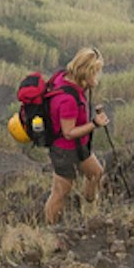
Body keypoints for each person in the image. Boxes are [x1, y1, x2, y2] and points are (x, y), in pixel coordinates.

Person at [41, 49, 107, 224]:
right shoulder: (68, 100)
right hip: (64, 150)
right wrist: (95, 124)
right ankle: (51, 229)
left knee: (96, 173)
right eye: (95, 72)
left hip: (80, 145)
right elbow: (68, 133)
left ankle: (90, 205)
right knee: (60, 193)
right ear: (86, 72)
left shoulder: (63, 77)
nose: (97, 77)